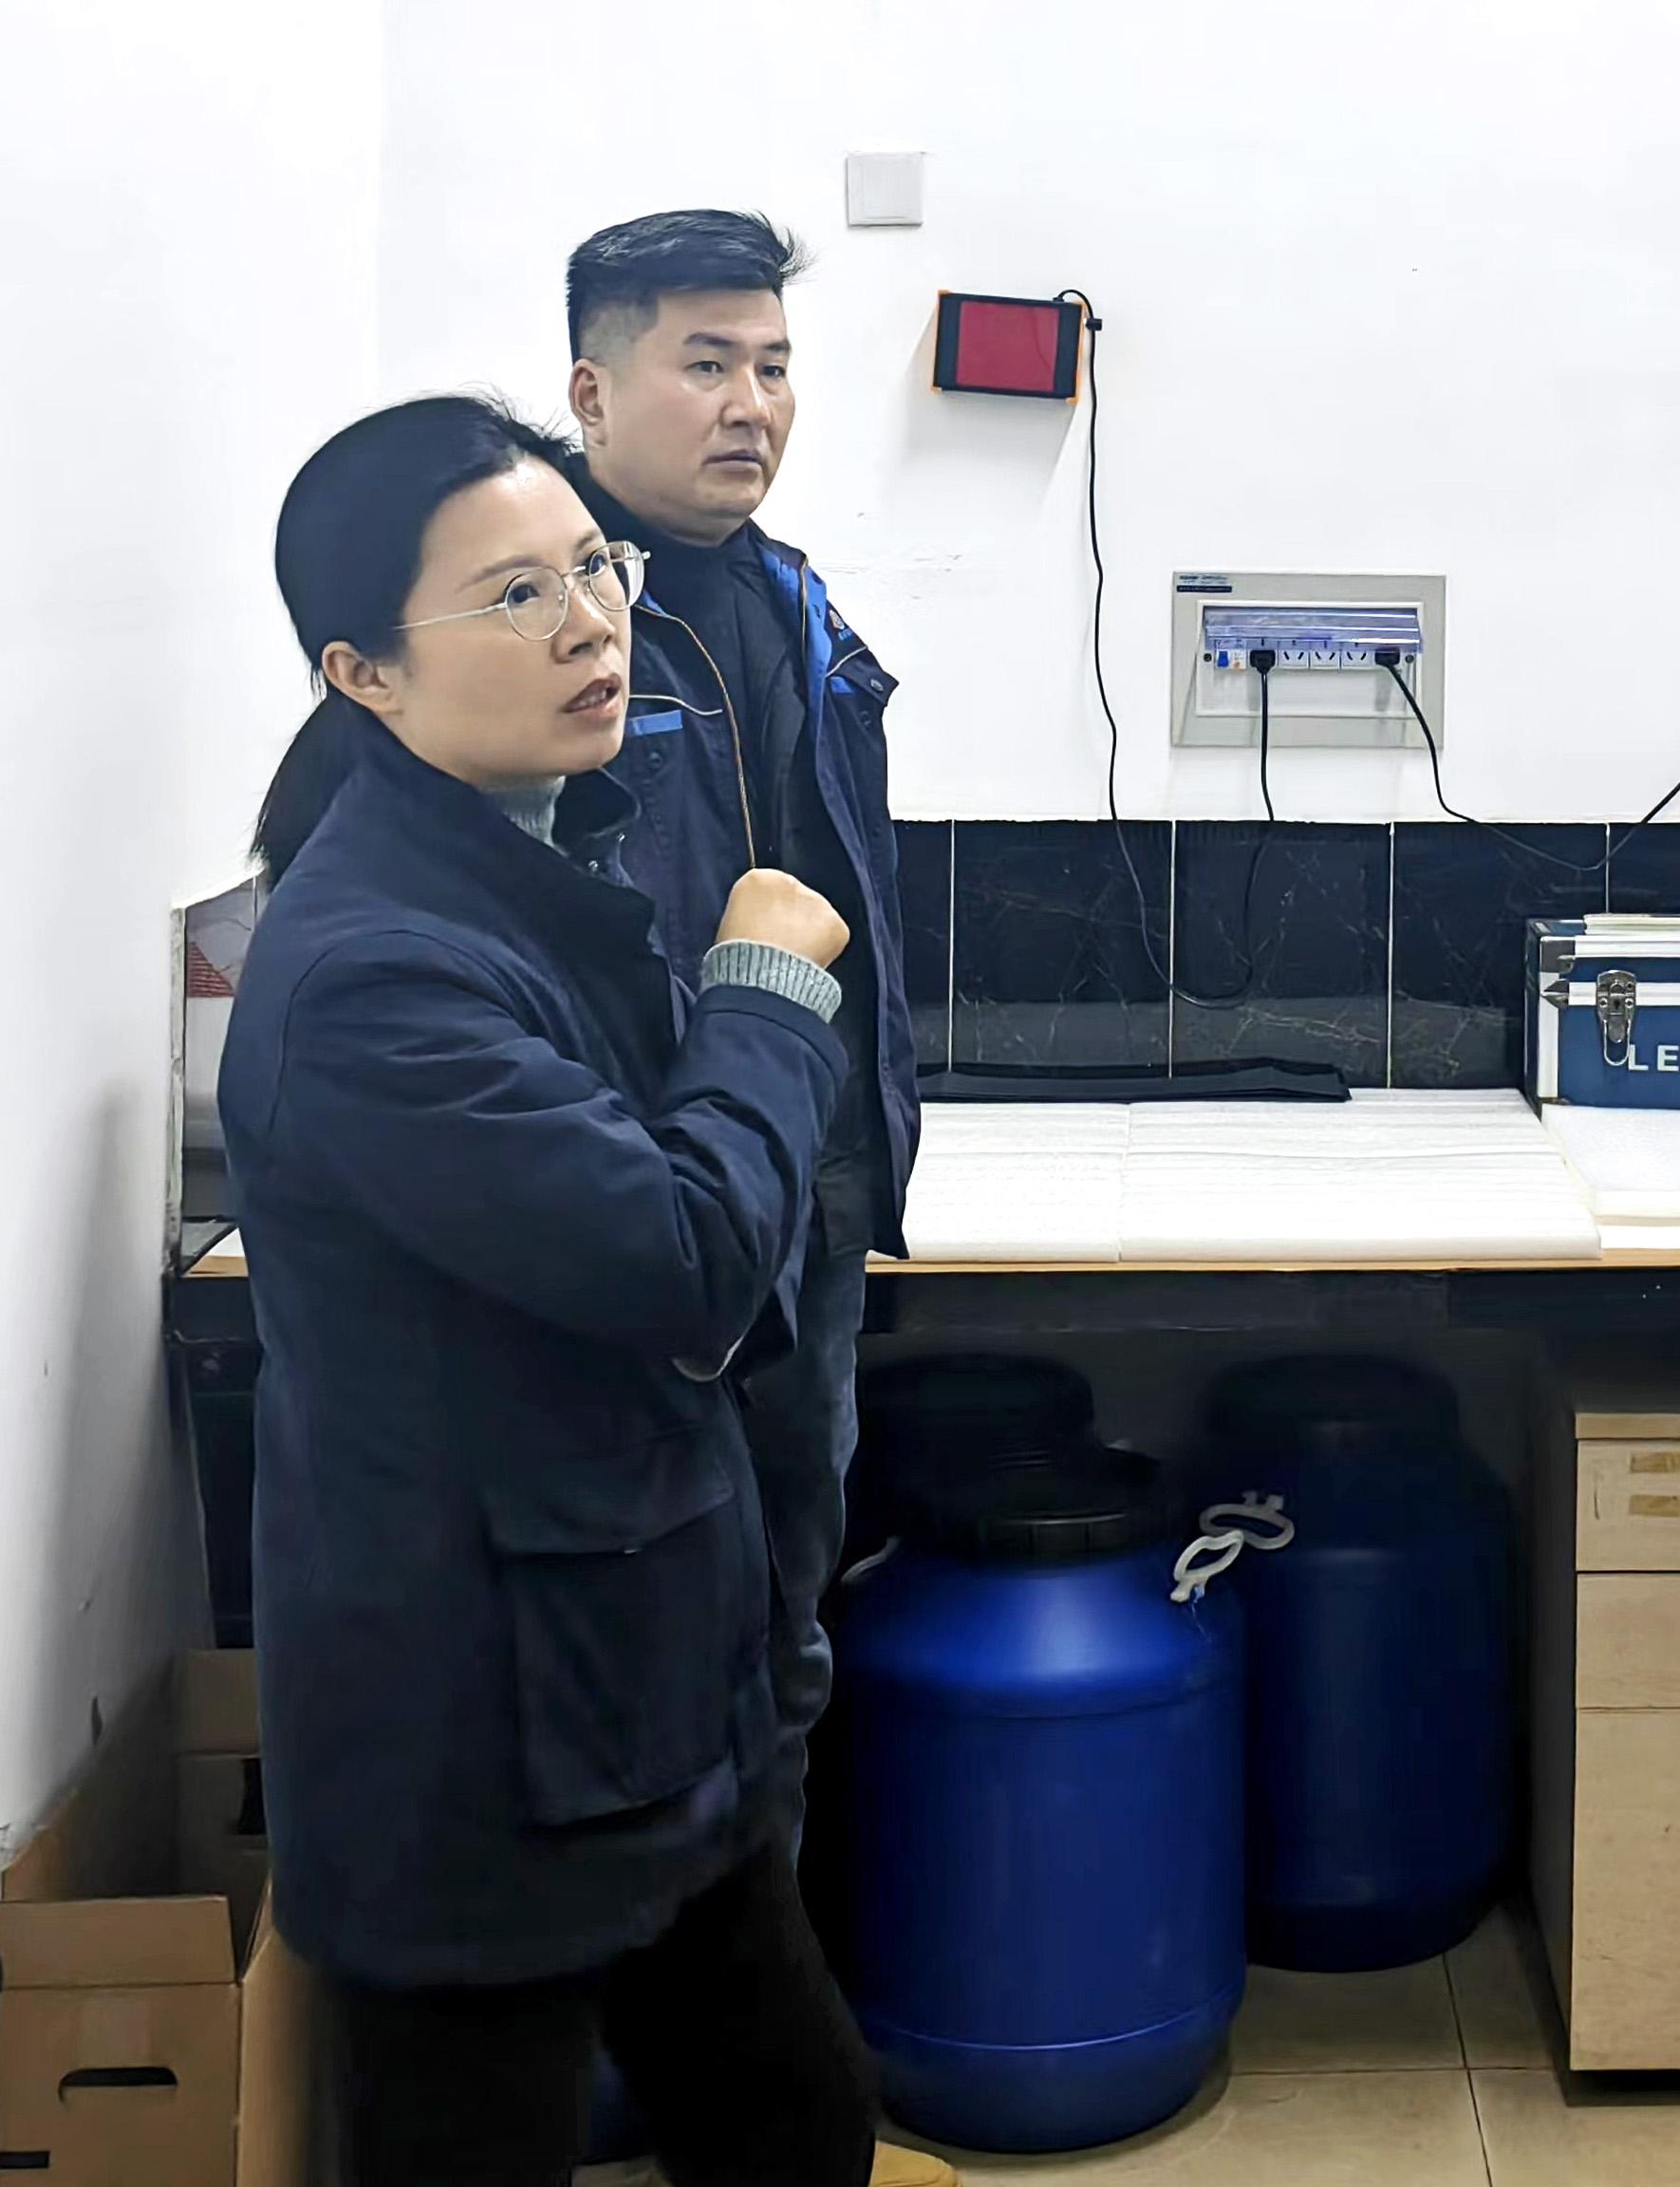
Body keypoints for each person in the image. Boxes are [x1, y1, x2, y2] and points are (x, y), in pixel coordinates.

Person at [222, 392, 887, 2187]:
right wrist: (768, 987)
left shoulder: (530, 859)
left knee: (798, 2119)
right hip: (483, 1744)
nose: (591, 623)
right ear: (363, 674)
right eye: (516, 597)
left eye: (594, 569)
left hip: (647, 1685)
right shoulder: (376, 978)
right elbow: (683, 1258)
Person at [560, 209, 919, 1867]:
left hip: (807, 1190)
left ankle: (756, 1997)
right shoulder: (551, 624)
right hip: (640, 1212)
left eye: (773, 368)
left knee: (786, 1618)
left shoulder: (792, 599)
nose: (751, 406)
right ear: (591, 389)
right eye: (705, 364)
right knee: (634, 1642)